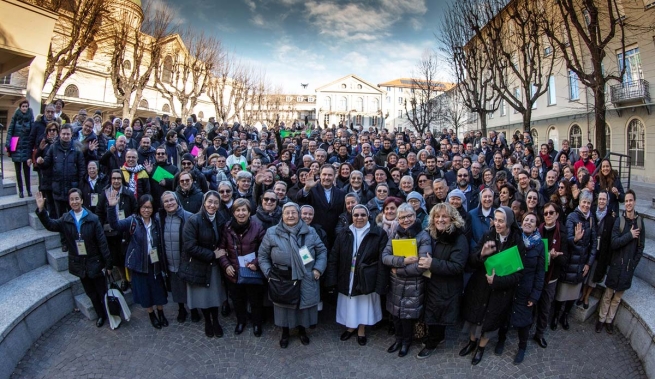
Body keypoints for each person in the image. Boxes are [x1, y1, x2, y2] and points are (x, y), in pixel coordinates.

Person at [35, 189, 112, 327]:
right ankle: (100, 315)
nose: (75, 202)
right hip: (79, 263)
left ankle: (110, 314)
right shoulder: (66, 219)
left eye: (77, 199)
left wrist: (108, 264)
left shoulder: (93, 219)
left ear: (82, 200)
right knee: (91, 293)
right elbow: (51, 225)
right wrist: (42, 210)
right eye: (72, 199)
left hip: (94, 261)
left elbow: (102, 243)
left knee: (102, 291)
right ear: (69, 202)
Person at [258, 202, 328, 348]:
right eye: (287, 213)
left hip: (306, 275)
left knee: (303, 307)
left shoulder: (310, 231)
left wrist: (318, 269)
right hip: (282, 277)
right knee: (284, 307)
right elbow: (262, 256)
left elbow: (322, 251)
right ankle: (285, 332)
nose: (290, 215)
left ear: (298, 215)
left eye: (293, 213)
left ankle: (302, 330)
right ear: (282, 215)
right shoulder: (272, 232)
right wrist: (268, 273)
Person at [460, 206, 524, 365]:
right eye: (495, 220)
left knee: (490, 320)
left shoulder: (517, 241)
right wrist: (481, 254)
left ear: (509, 222)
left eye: (501, 221)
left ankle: (480, 348)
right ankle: (472, 342)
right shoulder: (488, 235)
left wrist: (497, 282)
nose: (497, 224)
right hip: (480, 286)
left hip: (500, 291)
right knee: (475, 317)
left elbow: (518, 274)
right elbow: (472, 260)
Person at [326, 204, 388, 346]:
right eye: (356, 215)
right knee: (350, 303)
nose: (359, 218)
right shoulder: (343, 233)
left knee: (363, 303)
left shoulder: (378, 233)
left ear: (368, 216)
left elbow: (381, 261)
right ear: (351, 217)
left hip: (366, 277)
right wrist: (331, 279)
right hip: (347, 274)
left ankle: (361, 329)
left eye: (362, 215)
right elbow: (334, 256)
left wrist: (380, 283)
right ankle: (351, 326)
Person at [108, 192, 169, 329]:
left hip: (155, 262)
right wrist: (112, 208)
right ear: (139, 207)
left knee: (158, 289)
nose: (146, 210)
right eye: (143, 207)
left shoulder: (157, 221)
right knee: (145, 291)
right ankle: (151, 314)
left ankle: (161, 312)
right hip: (139, 262)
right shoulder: (133, 220)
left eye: (149, 207)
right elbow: (115, 225)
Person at [416, 203, 468, 359]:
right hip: (432, 282)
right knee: (433, 312)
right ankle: (436, 337)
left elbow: (457, 266)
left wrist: (432, 264)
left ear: (452, 219)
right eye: (437, 216)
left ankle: (432, 343)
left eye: (444, 216)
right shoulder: (431, 234)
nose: (440, 219)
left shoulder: (459, 238)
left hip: (447, 285)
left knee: (438, 315)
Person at [381, 203, 431, 357]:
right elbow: (385, 257)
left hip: (413, 284)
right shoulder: (396, 234)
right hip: (395, 284)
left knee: (407, 317)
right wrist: (403, 261)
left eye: (409, 216)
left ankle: (406, 342)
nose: (406, 220)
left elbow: (422, 265)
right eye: (402, 217)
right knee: (396, 314)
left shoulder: (423, 236)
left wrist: (398, 270)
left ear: (415, 217)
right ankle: (398, 339)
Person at [496, 212, 544, 364]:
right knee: (504, 315)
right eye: (526, 220)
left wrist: (535, 295)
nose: (528, 222)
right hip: (510, 285)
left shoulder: (540, 244)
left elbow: (540, 272)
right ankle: (501, 340)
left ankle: (522, 347)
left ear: (536, 226)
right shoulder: (514, 238)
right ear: (521, 222)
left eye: (532, 221)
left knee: (524, 320)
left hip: (526, 288)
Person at [181, 191, 229, 338]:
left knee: (214, 296)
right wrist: (212, 255)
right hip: (199, 264)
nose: (212, 205)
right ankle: (207, 321)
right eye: (210, 202)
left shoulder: (220, 218)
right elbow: (190, 246)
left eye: (215, 202)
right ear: (204, 202)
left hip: (214, 266)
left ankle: (216, 321)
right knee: (203, 297)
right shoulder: (193, 220)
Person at [596, 190, 644, 334]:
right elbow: (614, 242)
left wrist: (633, 264)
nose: (629, 203)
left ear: (634, 202)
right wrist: (629, 235)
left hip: (628, 267)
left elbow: (641, 247)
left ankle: (609, 321)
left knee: (617, 298)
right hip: (616, 264)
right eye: (627, 201)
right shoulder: (619, 220)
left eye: (631, 200)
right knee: (608, 294)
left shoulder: (640, 222)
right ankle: (601, 319)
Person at [218, 199, 267, 337]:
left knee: (255, 300)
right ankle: (241, 321)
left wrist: (256, 263)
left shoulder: (258, 227)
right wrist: (226, 265)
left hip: (252, 271)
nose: (241, 213)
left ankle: (257, 323)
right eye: (237, 210)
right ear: (233, 213)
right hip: (233, 272)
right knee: (238, 300)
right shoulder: (227, 228)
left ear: (249, 212)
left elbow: (265, 249)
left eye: (244, 210)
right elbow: (220, 249)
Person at [551, 189, 597, 331]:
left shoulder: (591, 219)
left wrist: (589, 263)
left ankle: (565, 315)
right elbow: (567, 239)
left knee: (573, 294)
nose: (586, 205)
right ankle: (556, 316)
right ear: (580, 202)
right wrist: (575, 239)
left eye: (588, 203)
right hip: (570, 261)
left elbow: (594, 243)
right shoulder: (572, 217)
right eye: (584, 202)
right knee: (562, 294)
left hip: (581, 264)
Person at [36, 124, 86, 251]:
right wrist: (41, 162)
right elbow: (46, 163)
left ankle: (76, 240)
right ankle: (64, 242)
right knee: (61, 218)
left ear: (71, 135)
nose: (65, 136)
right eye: (63, 134)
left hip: (73, 190)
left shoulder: (77, 148)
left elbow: (81, 169)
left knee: (75, 218)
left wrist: (80, 188)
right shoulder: (53, 148)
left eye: (68, 134)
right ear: (60, 134)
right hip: (58, 189)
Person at [534, 202, 568, 349]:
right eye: (546, 213)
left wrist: (555, 257)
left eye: (551, 213)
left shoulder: (563, 233)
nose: (548, 215)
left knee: (545, 307)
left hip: (551, 277)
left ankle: (539, 334)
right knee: (532, 304)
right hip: (537, 275)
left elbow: (565, 259)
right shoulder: (538, 230)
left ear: (557, 215)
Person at [158, 191, 193, 323]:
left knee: (190, 286)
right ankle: (181, 309)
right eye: (166, 201)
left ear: (177, 200)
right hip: (170, 259)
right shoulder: (160, 218)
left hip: (185, 259)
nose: (169, 203)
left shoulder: (188, 217)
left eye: (171, 200)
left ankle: (194, 308)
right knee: (177, 287)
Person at [6, 100, 34, 197]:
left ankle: (28, 190)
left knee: (27, 171)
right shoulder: (15, 117)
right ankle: (21, 191)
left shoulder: (30, 117)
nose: (25, 108)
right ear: (20, 107)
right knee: (18, 171)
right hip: (16, 145)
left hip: (26, 146)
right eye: (23, 106)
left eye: (26, 106)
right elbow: (10, 130)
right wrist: (8, 144)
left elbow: (32, 132)